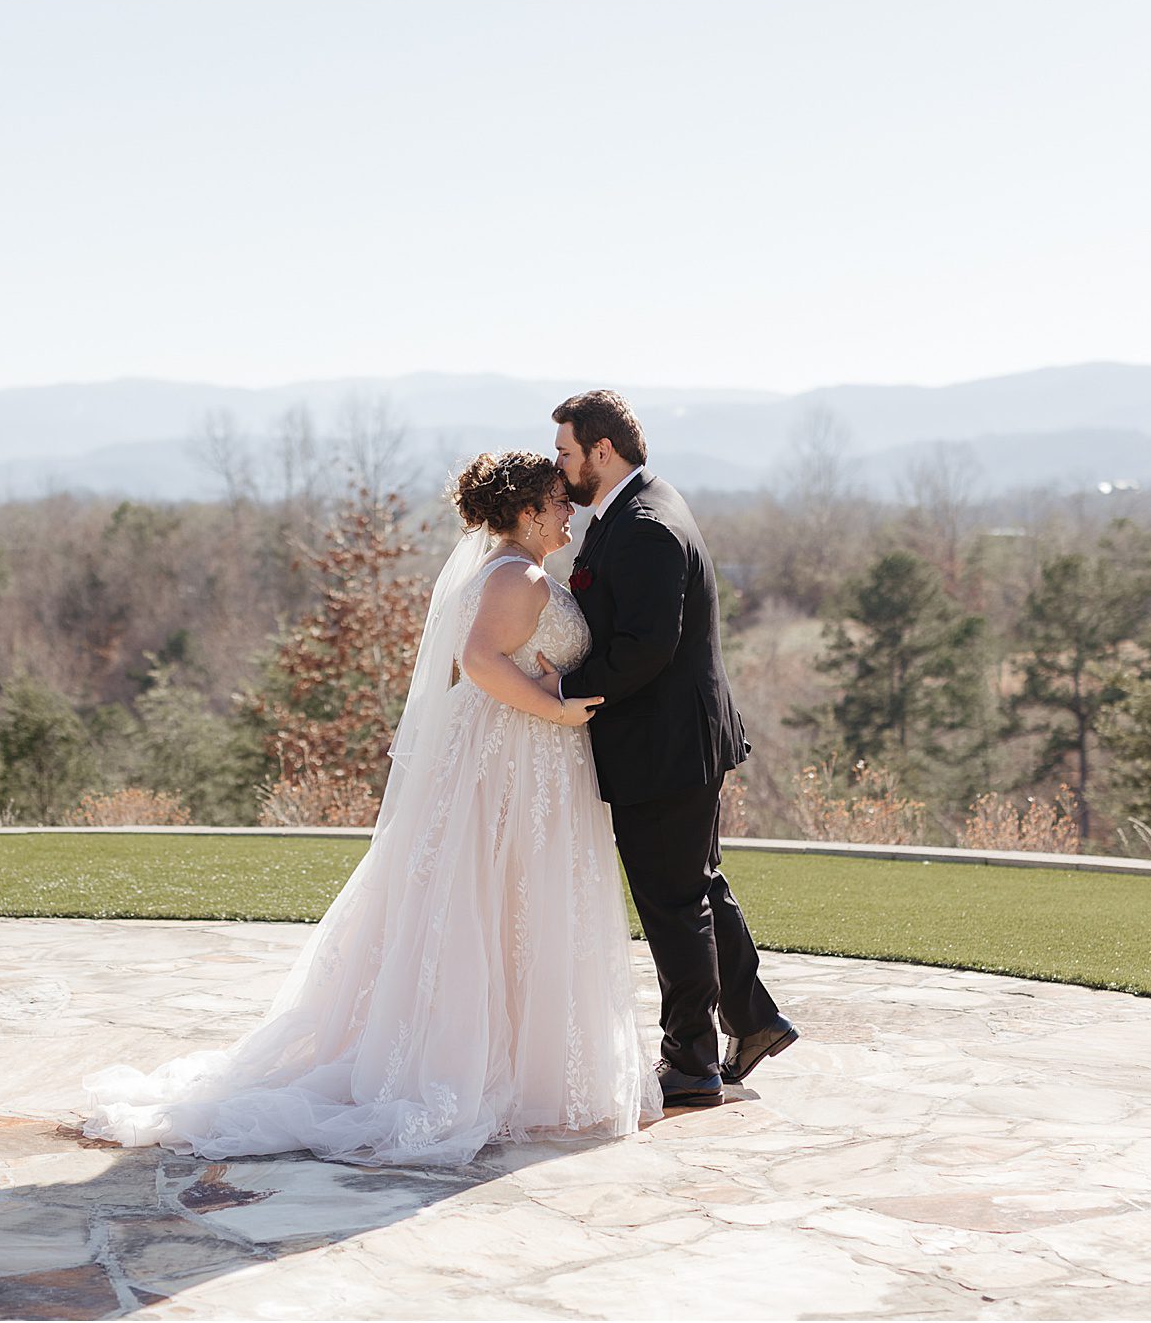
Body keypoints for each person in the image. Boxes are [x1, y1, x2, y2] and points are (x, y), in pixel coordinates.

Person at [82, 450, 660, 1166]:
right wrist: (558, 707)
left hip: (526, 758)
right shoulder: (519, 575)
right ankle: (475, 1069)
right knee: (494, 906)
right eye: (557, 499)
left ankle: (521, 1064)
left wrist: (554, 686)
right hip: (515, 757)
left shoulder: (519, 572)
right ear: (526, 511)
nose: (569, 508)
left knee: (514, 908)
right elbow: (481, 663)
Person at [545, 390, 797, 1109]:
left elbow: (645, 649)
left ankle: (690, 1059)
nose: (559, 469)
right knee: (696, 884)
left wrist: (562, 685)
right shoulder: (635, 506)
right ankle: (754, 1019)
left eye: (567, 452)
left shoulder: (647, 524)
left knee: (672, 900)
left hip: (665, 746)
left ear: (603, 450)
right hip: (673, 740)